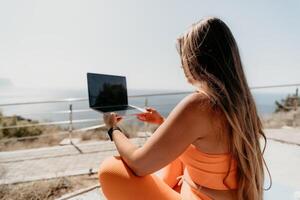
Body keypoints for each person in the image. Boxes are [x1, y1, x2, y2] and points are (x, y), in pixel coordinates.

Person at [98, 17, 271, 200]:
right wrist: (161, 123)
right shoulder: (240, 103)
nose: (181, 64)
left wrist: (113, 129)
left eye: (184, 55)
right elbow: (209, 142)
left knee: (111, 169)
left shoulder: (201, 104)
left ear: (197, 59)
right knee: (175, 157)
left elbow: (139, 164)